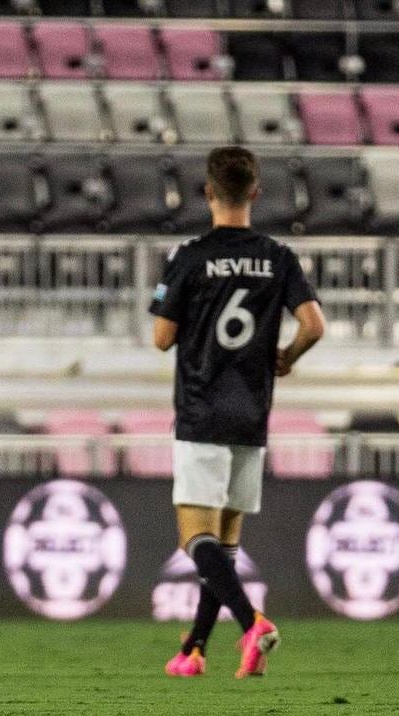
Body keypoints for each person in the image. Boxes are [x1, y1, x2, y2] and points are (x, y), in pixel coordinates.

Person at [148, 146, 325, 679]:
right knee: (224, 545)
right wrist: (286, 358)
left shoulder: (190, 255)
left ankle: (252, 623)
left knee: (195, 539)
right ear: (255, 193)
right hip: (251, 412)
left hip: (202, 411)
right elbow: (313, 324)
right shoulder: (279, 256)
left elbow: (161, 338)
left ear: (207, 193)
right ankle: (194, 650)